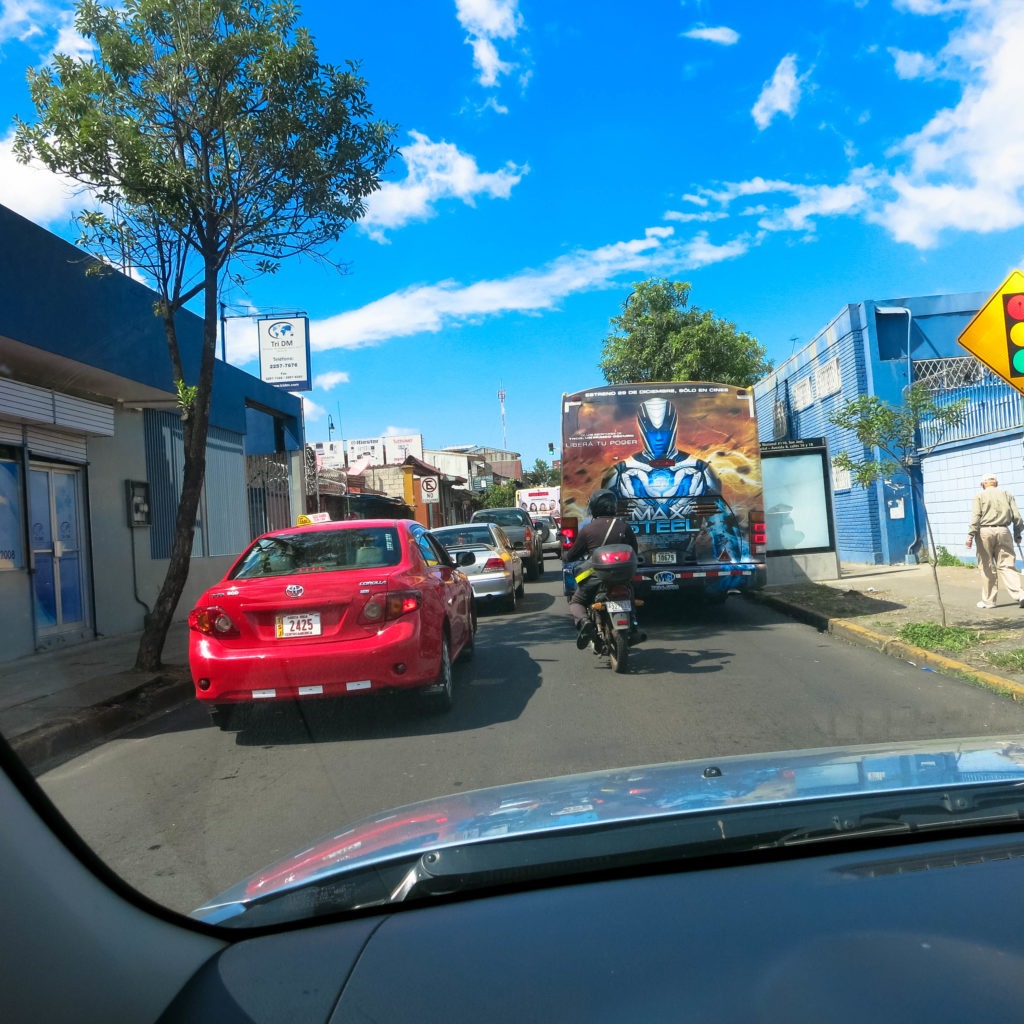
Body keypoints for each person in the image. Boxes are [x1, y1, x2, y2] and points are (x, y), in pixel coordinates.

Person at [563, 488, 640, 648]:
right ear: (614, 506)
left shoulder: (588, 529)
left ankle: (584, 621)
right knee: (629, 593)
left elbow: (573, 554)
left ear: (593, 507)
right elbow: (634, 550)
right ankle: (633, 623)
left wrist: (566, 556)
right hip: (622, 575)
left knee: (576, 601)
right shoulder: (624, 527)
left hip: (597, 576)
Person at [965, 473, 1024, 609]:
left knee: (987, 566)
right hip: (1004, 530)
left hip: (985, 532)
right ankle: (1020, 595)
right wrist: (1017, 533)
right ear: (996, 483)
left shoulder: (979, 496)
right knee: (1007, 565)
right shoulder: (1007, 494)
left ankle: (989, 601)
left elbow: (976, 516)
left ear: (983, 484)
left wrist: (970, 535)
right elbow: (1017, 517)